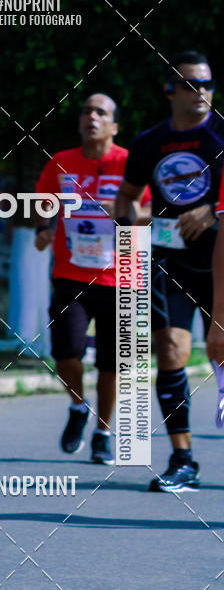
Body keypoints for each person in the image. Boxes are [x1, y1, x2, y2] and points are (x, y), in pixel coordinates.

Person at [115, 51, 222, 493]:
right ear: (169, 91)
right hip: (170, 263)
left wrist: (212, 212)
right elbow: (127, 196)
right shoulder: (149, 143)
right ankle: (183, 459)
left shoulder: (221, 135)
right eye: (190, 84)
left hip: (220, 261)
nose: (201, 92)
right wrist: (130, 229)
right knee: (172, 350)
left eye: (207, 84)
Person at [35, 94, 150, 464]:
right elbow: (44, 201)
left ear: (114, 126)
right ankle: (78, 406)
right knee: (65, 352)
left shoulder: (131, 163)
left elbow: (153, 209)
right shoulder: (62, 161)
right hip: (71, 274)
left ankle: (103, 431)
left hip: (122, 277)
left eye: (101, 112)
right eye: (86, 111)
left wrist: (128, 214)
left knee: (111, 364)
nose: (92, 117)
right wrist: (43, 227)